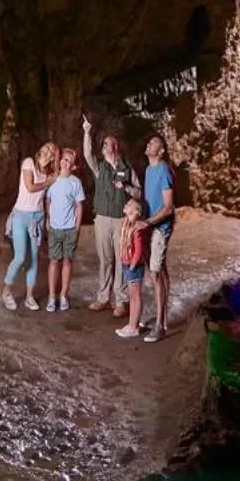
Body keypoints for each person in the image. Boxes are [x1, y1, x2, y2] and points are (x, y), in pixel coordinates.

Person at [82, 113, 140, 316]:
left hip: (122, 220)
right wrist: (87, 133)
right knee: (105, 259)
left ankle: (121, 301)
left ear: (116, 147)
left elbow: (139, 193)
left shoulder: (127, 168)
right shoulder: (100, 168)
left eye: (109, 143)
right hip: (103, 219)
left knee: (121, 259)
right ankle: (103, 297)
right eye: (104, 144)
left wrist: (126, 187)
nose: (106, 147)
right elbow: (87, 156)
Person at [3, 142, 57, 312]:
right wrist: (48, 182)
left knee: (34, 259)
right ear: (40, 149)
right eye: (47, 147)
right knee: (19, 257)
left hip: (37, 217)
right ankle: (6, 292)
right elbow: (30, 187)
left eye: (53, 150)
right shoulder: (29, 163)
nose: (49, 150)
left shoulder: (50, 173)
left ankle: (29, 297)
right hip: (21, 215)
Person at [137, 133, 175, 341]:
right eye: (149, 141)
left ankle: (159, 326)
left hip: (160, 226)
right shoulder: (148, 170)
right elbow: (149, 198)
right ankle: (163, 318)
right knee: (161, 270)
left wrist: (148, 222)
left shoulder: (163, 170)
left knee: (154, 272)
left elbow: (168, 207)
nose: (149, 144)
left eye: (154, 143)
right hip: (151, 225)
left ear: (161, 151)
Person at [44, 146, 86, 312]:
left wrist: (77, 227)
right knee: (54, 261)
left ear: (73, 166)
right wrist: (48, 218)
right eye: (63, 158)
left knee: (67, 261)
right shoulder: (52, 179)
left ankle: (63, 296)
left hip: (69, 228)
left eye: (68, 160)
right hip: (55, 227)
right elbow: (47, 200)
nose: (64, 161)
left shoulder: (75, 183)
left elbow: (79, 206)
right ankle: (51, 296)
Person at [113, 197, 148, 340]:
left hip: (133, 266)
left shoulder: (135, 229)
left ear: (135, 211)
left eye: (129, 205)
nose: (126, 206)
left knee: (135, 296)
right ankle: (131, 323)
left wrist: (133, 265)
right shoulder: (126, 224)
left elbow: (138, 250)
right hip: (127, 264)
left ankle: (133, 326)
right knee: (132, 296)